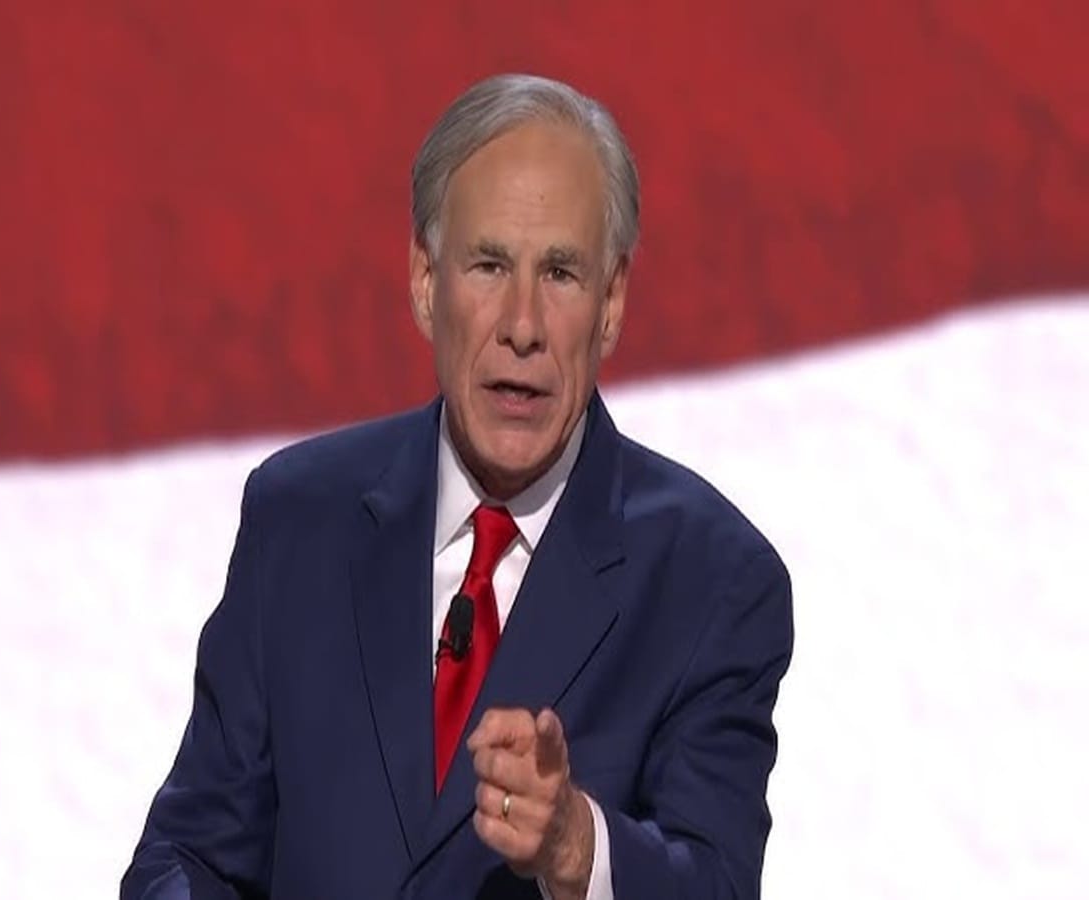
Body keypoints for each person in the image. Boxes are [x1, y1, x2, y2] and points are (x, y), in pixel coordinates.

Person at [123, 73, 793, 900]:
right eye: (488, 265)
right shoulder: (297, 520)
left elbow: (717, 883)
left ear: (613, 301)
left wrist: (578, 846)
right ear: (424, 279)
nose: (522, 325)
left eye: (561, 273)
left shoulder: (713, 582)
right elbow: (187, 856)